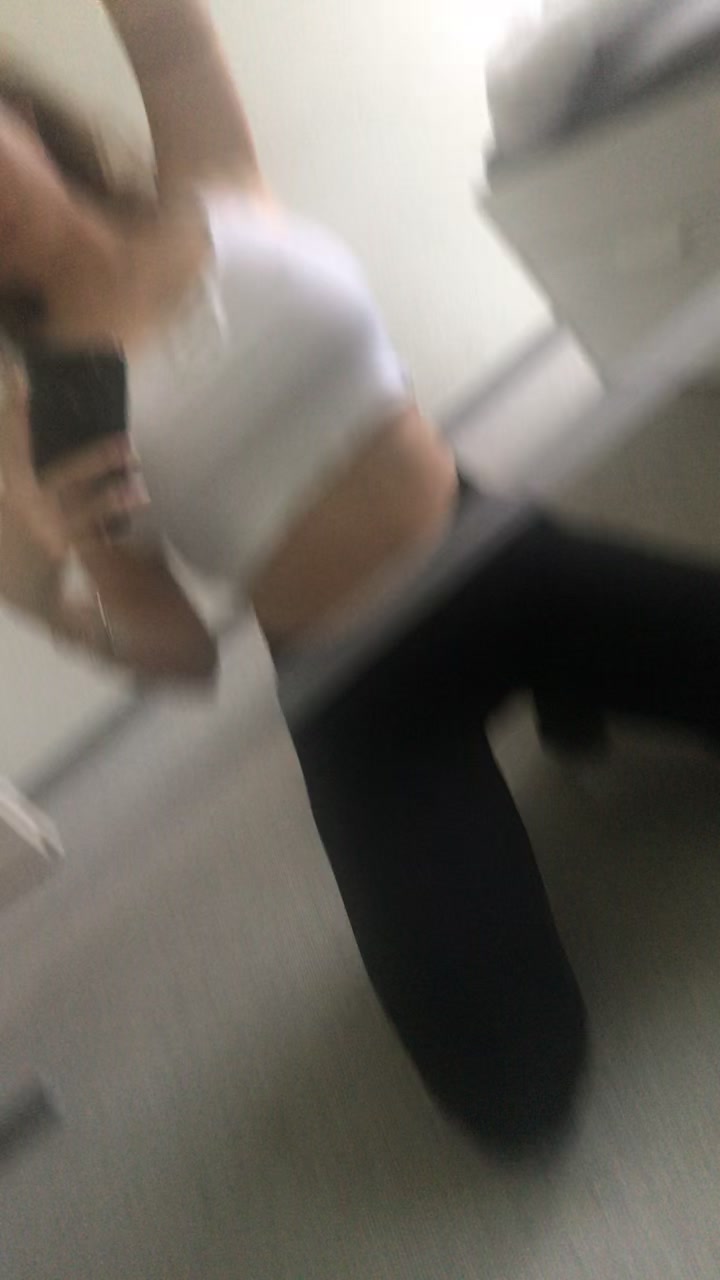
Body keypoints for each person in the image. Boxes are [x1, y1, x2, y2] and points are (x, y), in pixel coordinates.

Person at [0, 0, 719, 1157]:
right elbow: (181, 657)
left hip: (501, 555)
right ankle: (576, 697)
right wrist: (86, 572)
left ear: (21, 112)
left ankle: (574, 683)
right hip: (364, 691)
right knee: (515, 1091)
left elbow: (166, 28)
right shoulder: (37, 417)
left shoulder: (206, 179)